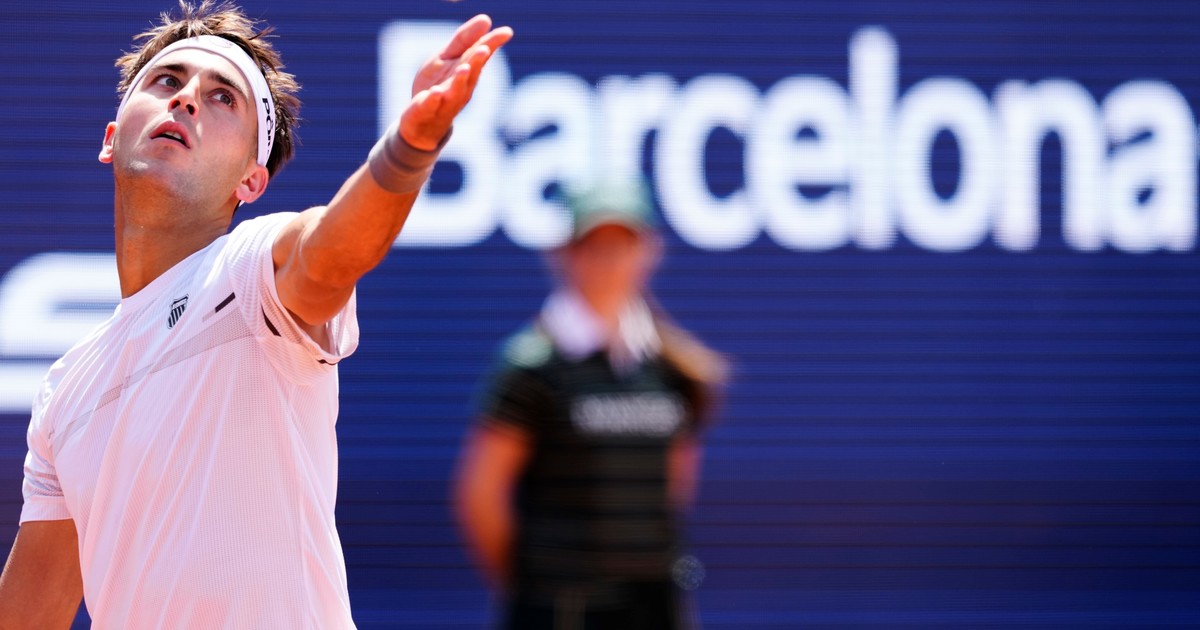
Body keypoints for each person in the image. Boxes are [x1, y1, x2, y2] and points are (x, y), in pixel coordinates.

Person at [0, 1, 511, 627]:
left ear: (251, 180)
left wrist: (409, 147)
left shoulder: (247, 269)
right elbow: (29, 613)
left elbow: (327, 258)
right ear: (112, 138)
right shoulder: (65, 392)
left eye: (223, 98)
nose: (186, 98)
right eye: (167, 80)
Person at [455, 181, 728, 630]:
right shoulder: (530, 367)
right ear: (563, 254)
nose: (609, 260)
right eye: (593, 246)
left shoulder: (673, 370)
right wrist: (540, 586)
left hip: (656, 604)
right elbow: (481, 496)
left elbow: (674, 483)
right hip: (560, 611)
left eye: (623, 245)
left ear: (650, 252)